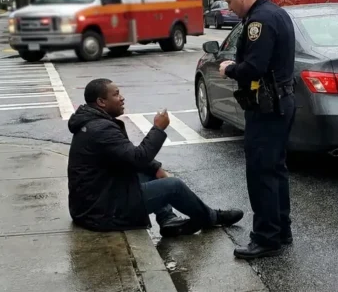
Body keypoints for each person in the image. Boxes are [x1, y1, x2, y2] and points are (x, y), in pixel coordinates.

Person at [67, 78, 244, 236]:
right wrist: (158, 128)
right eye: (116, 94)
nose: (122, 98)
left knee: (149, 170)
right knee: (173, 186)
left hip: (93, 203)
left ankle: (167, 219)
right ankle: (211, 218)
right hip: (103, 211)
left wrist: (155, 168)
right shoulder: (101, 128)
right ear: (101, 102)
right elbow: (138, 158)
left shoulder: (93, 123)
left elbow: (126, 156)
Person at [218, 0, 296, 259]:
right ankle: (281, 230)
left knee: (261, 172)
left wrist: (229, 69)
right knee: (276, 169)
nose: (229, 8)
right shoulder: (278, 13)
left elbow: (254, 67)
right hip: (282, 101)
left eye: (229, 1)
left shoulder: (258, 22)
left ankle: (266, 238)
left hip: (267, 106)